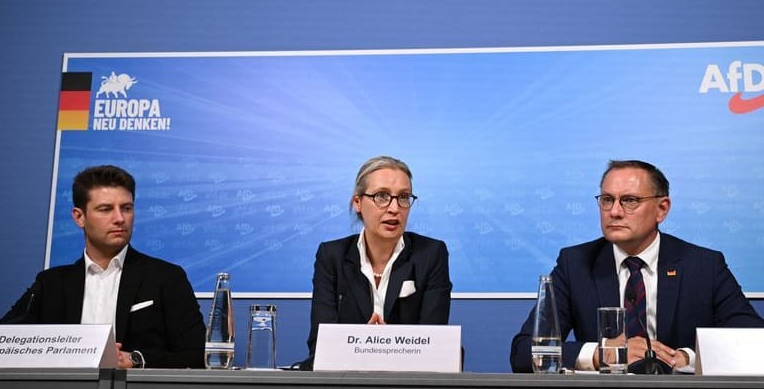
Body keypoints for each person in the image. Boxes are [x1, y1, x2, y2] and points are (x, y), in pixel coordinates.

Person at [510, 159, 764, 373]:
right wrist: (603, 354)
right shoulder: (575, 263)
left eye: (629, 200)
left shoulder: (703, 266)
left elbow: (754, 343)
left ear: (662, 209)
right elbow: (523, 353)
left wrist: (687, 358)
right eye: (607, 200)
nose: (615, 211)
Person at [0, 165, 205, 368]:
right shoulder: (50, 284)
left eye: (126, 208)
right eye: (105, 209)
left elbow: (197, 356)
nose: (119, 219)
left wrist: (134, 359)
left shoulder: (166, 277)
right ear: (79, 217)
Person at [303, 156, 453, 369]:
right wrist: (367, 344)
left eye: (403, 197)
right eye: (382, 196)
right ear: (357, 203)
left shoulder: (431, 254)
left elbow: (434, 343)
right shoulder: (331, 256)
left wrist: (384, 345)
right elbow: (320, 345)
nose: (394, 208)